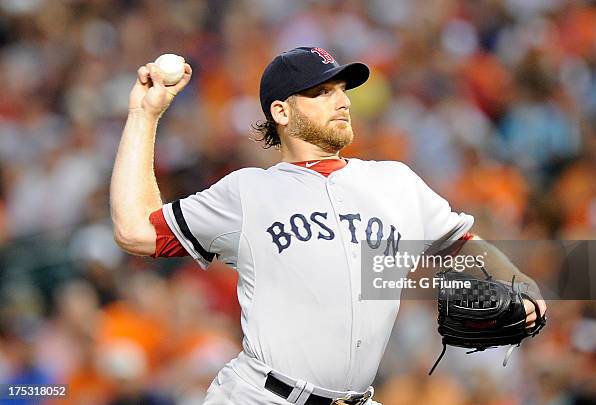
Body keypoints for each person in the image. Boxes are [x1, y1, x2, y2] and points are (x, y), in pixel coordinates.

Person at [110, 47, 547, 405]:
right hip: (261, 397)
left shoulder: (395, 181)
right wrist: (144, 116)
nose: (343, 100)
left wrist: (520, 281)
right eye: (322, 91)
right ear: (281, 111)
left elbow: (462, 244)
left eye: (342, 89)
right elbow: (135, 230)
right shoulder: (247, 192)